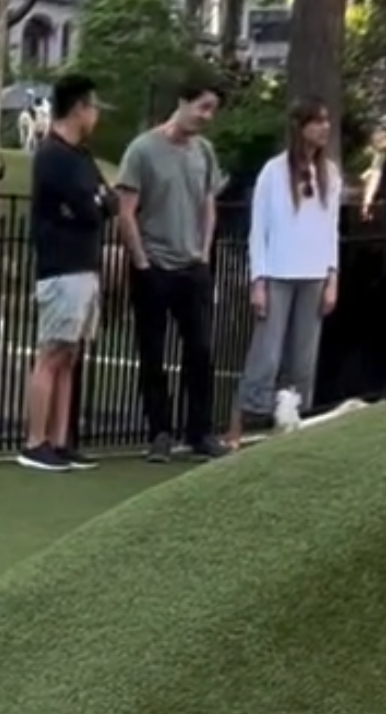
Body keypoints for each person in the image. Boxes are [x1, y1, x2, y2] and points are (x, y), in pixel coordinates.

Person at [114, 76, 228, 462]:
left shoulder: (204, 152)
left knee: (200, 350)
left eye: (213, 109)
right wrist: (142, 262)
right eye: (203, 107)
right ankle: (159, 432)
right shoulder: (142, 150)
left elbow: (208, 202)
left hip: (192, 265)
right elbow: (125, 212)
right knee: (153, 352)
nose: (207, 116)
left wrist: (205, 252)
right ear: (183, 101)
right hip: (154, 266)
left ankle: (199, 431)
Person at [227, 100, 341, 445]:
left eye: (326, 120)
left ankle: (288, 429)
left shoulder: (330, 174)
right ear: (300, 127)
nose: (324, 127)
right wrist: (257, 281)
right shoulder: (273, 172)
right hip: (277, 274)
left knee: (303, 359)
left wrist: (332, 277)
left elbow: (330, 229)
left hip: (314, 276)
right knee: (266, 355)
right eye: (316, 121)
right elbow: (258, 229)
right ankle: (236, 427)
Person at [18, 73, 109, 472]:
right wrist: (94, 203)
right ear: (79, 109)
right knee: (52, 352)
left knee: (71, 354)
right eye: (94, 107)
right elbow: (90, 207)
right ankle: (35, 440)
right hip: (61, 267)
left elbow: (109, 202)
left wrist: (97, 202)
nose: (97, 115)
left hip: (86, 265)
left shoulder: (83, 157)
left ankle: (60, 439)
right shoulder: (53, 156)